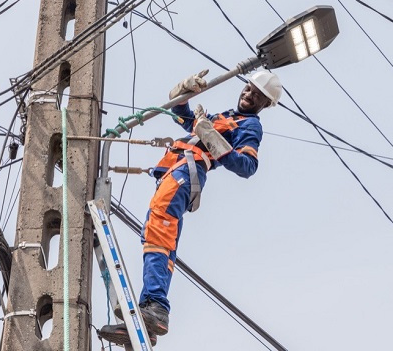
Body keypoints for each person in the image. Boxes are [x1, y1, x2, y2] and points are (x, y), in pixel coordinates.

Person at [98, 69, 282, 346]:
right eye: (249, 89)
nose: (249, 95)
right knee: (158, 238)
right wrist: (184, 91)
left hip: (187, 172)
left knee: (159, 233)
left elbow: (247, 166)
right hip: (176, 173)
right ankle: (149, 314)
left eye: (257, 96)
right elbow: (180, 113)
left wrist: (212, 139)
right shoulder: (225, 118)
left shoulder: (249, 126)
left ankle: (156, 307)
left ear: (265, 104)